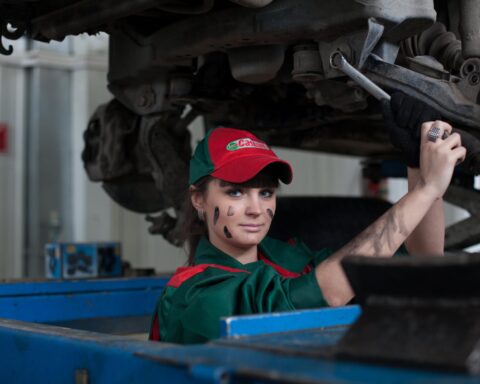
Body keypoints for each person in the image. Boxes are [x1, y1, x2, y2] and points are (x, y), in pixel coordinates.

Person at [149, 94, 466, 344]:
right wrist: (425, 190)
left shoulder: (287, 256)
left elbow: (420, 262)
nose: (256, 209)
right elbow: (314, 297)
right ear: (199, 200)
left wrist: (416, 164)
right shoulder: (192, 295)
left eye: (266, 193)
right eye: (235, 193)